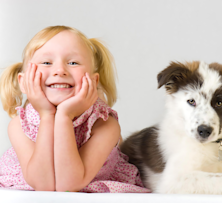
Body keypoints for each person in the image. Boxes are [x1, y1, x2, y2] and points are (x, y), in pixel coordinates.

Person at [0, 25, 150, 193]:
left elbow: (68, 186)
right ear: (23, 81)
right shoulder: (19, 126)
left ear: (93, 81)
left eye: (73, 62)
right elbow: (44, 186)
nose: (60, 71)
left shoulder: (104, 125)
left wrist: (64, 116)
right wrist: (47, 115)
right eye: (46, 62)